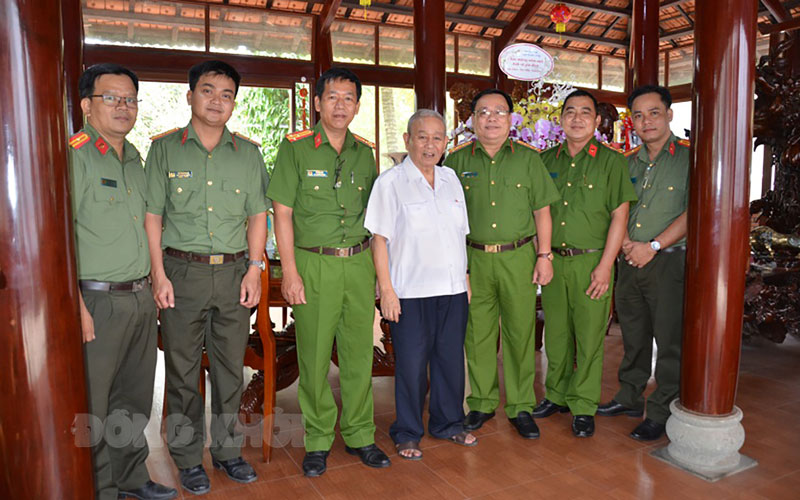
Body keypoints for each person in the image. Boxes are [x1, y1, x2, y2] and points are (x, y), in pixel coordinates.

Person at [144, 60, 269, 495]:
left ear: (234, 102)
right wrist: (158, 274)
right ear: (190, 95)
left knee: (231, 370)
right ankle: (185, 457)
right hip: (181, 272)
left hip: (236, 272)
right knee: (181, 370)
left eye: (227, 94)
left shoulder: (249, 153)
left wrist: (255, 268)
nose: (218, 101)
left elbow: (258, 216)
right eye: (208, 91)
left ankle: (229, 452)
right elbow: (152, 216)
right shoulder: (164, 150)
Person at [268, 67, 390, 477]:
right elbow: (281, 214)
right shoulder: (296, 148)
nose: (341, 105)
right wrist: (290, 272)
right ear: (317, 102)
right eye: (332, 97)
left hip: (357, 263)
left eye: (349, 98)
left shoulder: (365, 151)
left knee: (359, 355)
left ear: (357, 105)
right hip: (313, 263)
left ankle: (360, 434)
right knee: (315, 355)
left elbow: (376, 219)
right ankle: (318, 439)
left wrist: (378, 275)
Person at [70, 63, 177, 500]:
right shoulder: (74, 155)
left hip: (139, 297)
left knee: (133, 398)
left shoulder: (136, 158)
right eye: (111, 98)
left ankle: (132, 478)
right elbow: (58, 237)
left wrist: (155, 280)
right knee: (96, 402)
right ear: (86, 105)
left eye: (130, 99)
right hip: (96, 302)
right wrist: (74, 306)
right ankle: (102, 487)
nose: (123, 106)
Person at [444, 89, 559, 439]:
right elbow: (445, 218)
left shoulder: (529, 159)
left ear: (511, 119)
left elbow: (543, 210)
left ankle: (521, 405)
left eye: (499, 112)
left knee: (520, 333)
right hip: (473, 259)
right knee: (477, 334)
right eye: (483, 112)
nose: (491, 118)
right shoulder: (456, 161)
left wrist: (545, 255)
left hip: (518, 257)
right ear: (473, 120)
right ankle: (480, 401)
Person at [365, 109, 476, 460]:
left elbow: (460, 236)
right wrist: (386, 289)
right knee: (411, 366)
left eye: (438, 137)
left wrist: (466, 280)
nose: (431, 144)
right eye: (423, 136)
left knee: (449, 362)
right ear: (408, 140)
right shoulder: (390, 183)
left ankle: (448, 423)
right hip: (409, 293)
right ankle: (408, 431)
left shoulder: (451, 180)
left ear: (446, 142)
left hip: (452, 290)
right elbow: (378, 240)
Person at [536, 89, 637, 438]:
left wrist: (606, 265)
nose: (576, 118)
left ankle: (582, 404)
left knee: (590, 336)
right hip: (554, 262)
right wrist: (541, 255)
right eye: (569, 112)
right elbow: (537, 212)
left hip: (591, 261)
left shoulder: (612, 161)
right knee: (557, 333)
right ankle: (556, 395)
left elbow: (619, 216)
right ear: (560, 119)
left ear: (596, 121)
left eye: (585, 112)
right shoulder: (545, 161)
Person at [597, 85, 689, 441]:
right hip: (629, 260)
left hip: (667, 261)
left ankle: (663, 409)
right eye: (638, 114)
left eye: (653, 112)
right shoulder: (627, 161)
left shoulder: (687, 157)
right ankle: (629, 396)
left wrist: (652, 245)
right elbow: (616, 211)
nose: (646, 120)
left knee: (669, 340)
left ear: (668, 114)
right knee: (633, 335)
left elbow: (692, 211)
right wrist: (626, 247)